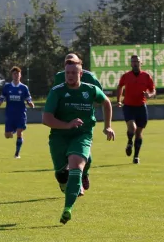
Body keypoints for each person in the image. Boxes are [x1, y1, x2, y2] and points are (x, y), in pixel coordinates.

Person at [43, 58, 115, 225]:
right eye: (68, 73)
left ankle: (67, 209)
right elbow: (46, 119)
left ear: (81, 74)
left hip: (82, 134)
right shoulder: (57, 91)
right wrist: (67, 125)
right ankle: (78, 170)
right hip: (59, 137)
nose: (70, 76)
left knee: (75, 165)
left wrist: (108, 126)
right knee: (61, 173)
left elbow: (106, 102)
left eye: (74, 73)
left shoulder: (90, 90)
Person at [54, 53, 102, 192]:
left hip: (85, 122)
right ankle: (72, 181)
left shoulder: (90, 77)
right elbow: (56, 94)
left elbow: (100, 97)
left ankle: (84, 174)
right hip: (65, 121)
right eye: (66, 64)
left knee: (85, 154)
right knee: (67, 153)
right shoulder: (59, 76)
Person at [116, 55, 156, 164]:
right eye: (133, 62)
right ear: (130, 64)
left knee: (139, 133)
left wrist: (150, 94)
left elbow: (153, 90)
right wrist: (119, 100)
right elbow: (120, 87)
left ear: (141, 63)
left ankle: (136, 156)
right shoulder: (126, 76)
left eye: (137, 61)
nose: (135, 63)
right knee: (132, 127)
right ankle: (129, 142)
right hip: (129, 106)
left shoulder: (146, 76)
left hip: (141, 107)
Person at [0, 66, 35, 158]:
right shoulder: (7, 87)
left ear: (20, 75)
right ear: (12, 75)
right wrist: (0, 101)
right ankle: (12, 131)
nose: (16, 75)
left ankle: (17, 153)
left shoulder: (24, 88)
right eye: (14, 74)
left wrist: (31, 104)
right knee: (7, 135)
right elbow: (2, 97)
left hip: (20, 114)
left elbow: (28, 99)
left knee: (19, 132)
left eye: (18, 74)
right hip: (10, 114)